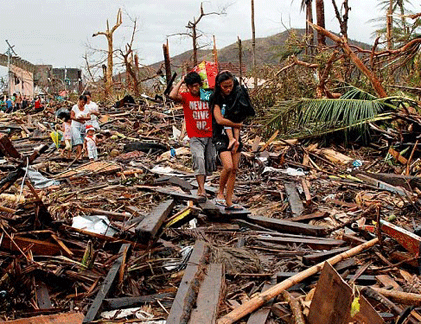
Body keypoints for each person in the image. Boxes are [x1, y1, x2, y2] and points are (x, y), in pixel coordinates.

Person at [210, 71, 254, 210]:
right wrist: (237, 125)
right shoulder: (215, 97)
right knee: (227, 166)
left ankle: (229, 201)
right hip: (220, 134)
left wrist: (237, 132)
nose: (228, 89)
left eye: (230, 85)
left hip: (235, 135)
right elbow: (219, 120)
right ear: (219, 85)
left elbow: (240, 114)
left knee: (234, 169)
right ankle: (220, 193)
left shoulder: (237, 94)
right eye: (225, 86)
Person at [169, 71, 215, 200]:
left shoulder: (207, 95)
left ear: (200, 85)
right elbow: (172, 95)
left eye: (196, 86)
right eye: (191, 86)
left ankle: (203, 185)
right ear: (188, 87)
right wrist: (181, 81)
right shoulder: (186, 97)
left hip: (210, 134)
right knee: (198, 159)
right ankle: (201, 188)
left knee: (207, 163)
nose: (194, 89)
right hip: (195, 135)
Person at [70, 95, 90, 159]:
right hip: (75, 125)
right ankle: (79, 154)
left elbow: (89, 117)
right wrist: (78, 120)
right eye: (82, 102)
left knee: (83, 139)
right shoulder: (75, 107)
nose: (83, 104)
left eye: (84, 103)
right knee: (78, 139)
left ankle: (82, 153)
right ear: (79, 100)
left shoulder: (86, 108)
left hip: (83, 126)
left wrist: (83, 118)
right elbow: (72, 116)